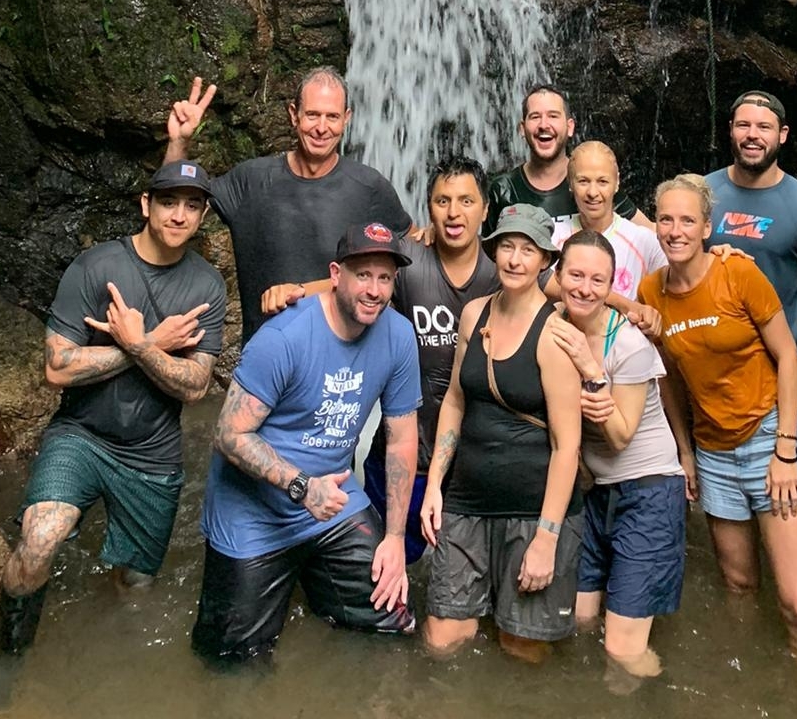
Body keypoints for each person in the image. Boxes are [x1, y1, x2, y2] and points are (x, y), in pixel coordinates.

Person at [0, 163, 226, 712]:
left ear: (203, 215)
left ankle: (114, 671)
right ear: (145, 205)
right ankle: (3, 651)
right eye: (168, 202)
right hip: (82, 434)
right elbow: (58, 368)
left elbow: (197, 386)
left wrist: (142, 346)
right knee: (38, 540)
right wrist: (144, 343)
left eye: (191, 205)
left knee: (136, 585)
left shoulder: (206, 284)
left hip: (152, 452)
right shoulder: (97, 266)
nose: (178, 214)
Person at [191, 222, 420, 662]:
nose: (374, 290)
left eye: (385, 278)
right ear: (336, 274)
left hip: (333, 500)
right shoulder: (283, 339)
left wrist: (393, 536)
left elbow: (401, 440)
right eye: (363, 275)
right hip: (253, 514)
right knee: (233, 662)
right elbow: (228, 434)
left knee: (394, 621)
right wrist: (302, 487)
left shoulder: (398, 335)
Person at [262, 157, 499, 563]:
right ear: (427, 207)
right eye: (442, 201)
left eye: (466, 201)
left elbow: (569, 289)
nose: (454, 213)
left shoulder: (505, 273)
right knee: (381, 573)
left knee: (454, 584)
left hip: (469, 467)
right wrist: (297, 290)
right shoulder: (406, 260)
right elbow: (358, 279)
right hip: (397, 454)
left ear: (485, 209)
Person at [639, 176, 797, 656]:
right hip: (714, 452)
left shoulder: (738, 273)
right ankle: (749, 686)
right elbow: (670, 381)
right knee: (740, 588)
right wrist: (686, 452)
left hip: (770, 435)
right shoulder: (650, 291)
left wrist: (786, 450)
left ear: (707, 229)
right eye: (665, 219)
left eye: (687, 220)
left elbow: (789, 357)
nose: (675, 230)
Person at [420, 203, 583, 662]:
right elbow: (455, 400)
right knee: (442, 641)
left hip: (532, 511)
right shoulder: (474, 314)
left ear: (545, 261)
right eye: (506, 247)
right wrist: (435, 485)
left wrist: (547, 539)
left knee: (521, 649)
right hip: (467, 502)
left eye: (527, 250)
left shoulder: (555, 333)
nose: (514, 259)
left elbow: (566, 444)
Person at [163, 67, 412, 342]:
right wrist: (179, 142)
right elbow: (174, 203)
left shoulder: (369, 187)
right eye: (312, 115)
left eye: (332, 117)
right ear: (294, 114)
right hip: (266, 359)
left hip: (345, 362)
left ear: (347, 119)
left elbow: (414, 250)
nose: (321, 128)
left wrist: (437, 232)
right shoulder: (251, 180)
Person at [549, 229, 688, 678]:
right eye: (575, 275)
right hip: (594, 494)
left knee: (622, 649)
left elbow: (620, 437)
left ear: (611, 287)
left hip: (648, 492)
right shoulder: (554, 324)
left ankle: (661, 696)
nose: (584, 289)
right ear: (558, 275)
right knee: (581, 621)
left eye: (597, 280)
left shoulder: (626, 344)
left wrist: (592, 374)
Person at [705, 90, 797, 401]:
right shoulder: (700, 195)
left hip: (778, 376)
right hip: (707, 371)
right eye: (743, 125)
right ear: (730, 129)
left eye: (764, 127)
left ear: (782, 135)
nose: (752, 135)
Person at [487, 84, 650, 234]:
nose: (544, 124)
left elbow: (650, 232)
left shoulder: (594, 183)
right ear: (522, 129)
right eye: (535, 116)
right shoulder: (503, 190)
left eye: (553, 116)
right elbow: (486, 255)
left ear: (570, 127)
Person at [551, 141, 667, 307]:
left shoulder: (644, 242)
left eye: (602, 182)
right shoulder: (551, 236)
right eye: (583, 181)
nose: (592, 192)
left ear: (617, 182)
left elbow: (678, 284)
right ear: (570, 183)